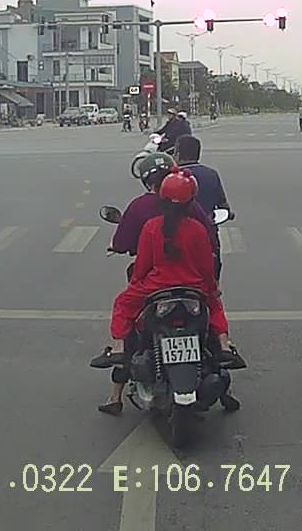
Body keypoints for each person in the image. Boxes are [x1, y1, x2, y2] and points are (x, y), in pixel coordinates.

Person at [91, 169, 242, 414]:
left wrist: (136, 284)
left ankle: (118, 349)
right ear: (191, 199)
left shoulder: (152, 227)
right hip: (193, 287)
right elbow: (206, 266)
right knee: (215, 307)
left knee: (123, 304)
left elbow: (142, 265)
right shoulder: (197, 228)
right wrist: (212, 289)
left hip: (156, 287)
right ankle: (224, 346)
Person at [110, 152, 220, 263]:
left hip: (153, 269)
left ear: (147, 182)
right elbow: (210, 238)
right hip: (191, 268)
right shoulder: (190, 205)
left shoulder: (139, 207)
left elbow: (121, 244)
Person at [173, 135, 228, 279]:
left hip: (174, 236)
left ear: (178, 154)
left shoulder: (171, 177)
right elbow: (223, 205)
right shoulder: (211, 174)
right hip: (207, 234)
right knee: (213, 275)